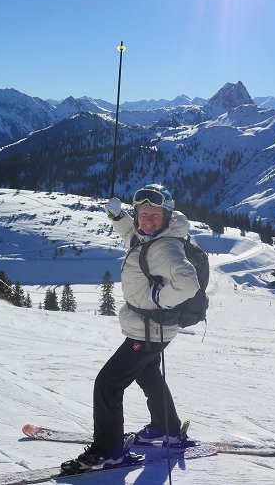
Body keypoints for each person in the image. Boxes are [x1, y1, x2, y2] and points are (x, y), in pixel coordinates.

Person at [61, 184, 200, 472]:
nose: (147, 220)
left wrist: (160, 298)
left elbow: (188, 282)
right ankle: (167, 428)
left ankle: (108, 451)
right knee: (147, 373)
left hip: (148, 332)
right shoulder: (146, 237)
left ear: (166, 216)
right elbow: (130, 235)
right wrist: (117, 216)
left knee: (108, 384)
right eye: (143, 214)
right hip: (153, 330)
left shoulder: (163, 247)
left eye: (155, 215)